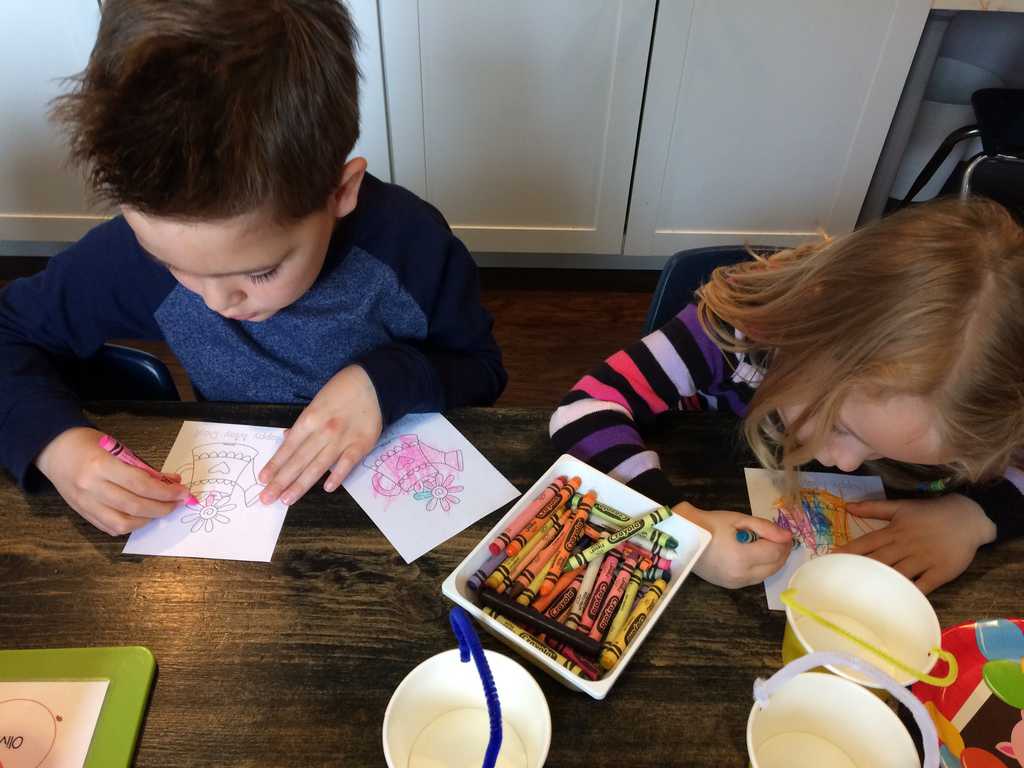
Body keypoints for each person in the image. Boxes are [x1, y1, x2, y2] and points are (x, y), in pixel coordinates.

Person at [0, 0, 506, 536]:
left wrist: (386, 381)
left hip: (389, 512)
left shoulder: (411, 246)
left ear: (340, 193)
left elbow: (482, 370)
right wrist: (57, 446)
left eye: (259, 273)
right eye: (171, 263)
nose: (217, 303)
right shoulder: (131, 254)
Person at [550, 197, 1023, 592]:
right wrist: (681, 527)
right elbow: (584, 411)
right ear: (808, 328)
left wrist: (973, 516)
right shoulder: (738, 332)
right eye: (840, 426)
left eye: (880, 448)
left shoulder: (985, 389)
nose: (846, 463)